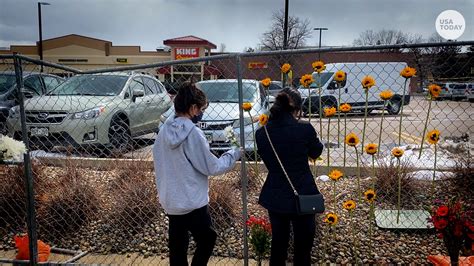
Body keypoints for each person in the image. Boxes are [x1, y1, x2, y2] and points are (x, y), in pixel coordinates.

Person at [153, 83, 241, 266]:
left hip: (171, 200)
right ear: (193, 108)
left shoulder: (163, 132)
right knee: (207, 238)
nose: (201, 113)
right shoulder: (193, 133)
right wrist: (233, 154)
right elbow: (211, 167)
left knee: (178, 246)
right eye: (201, 109)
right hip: (192, 201)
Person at [255, 88, 324, 266]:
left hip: (276, 193)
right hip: (303, 192)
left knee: (278, 245)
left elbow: (269, 160)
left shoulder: (262, 134)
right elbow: (315, 152)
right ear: (297, 110)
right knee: (303, 247)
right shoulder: (305, 129)